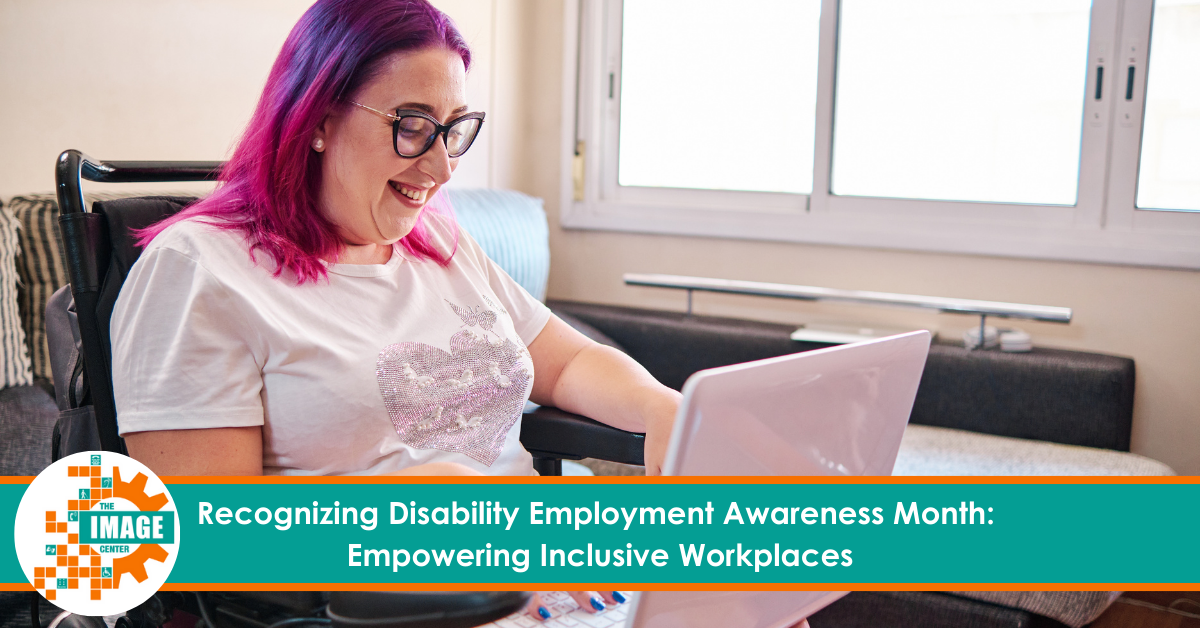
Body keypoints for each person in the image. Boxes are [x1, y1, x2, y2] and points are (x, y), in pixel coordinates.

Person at [109, 0, 681, 619]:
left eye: (455, 127)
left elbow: (568, 365)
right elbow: (211, 544)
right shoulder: (198, 269)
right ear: (318, 120)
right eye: (412, 125)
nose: (442, 168)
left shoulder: (438, 244)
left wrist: (665, 408)